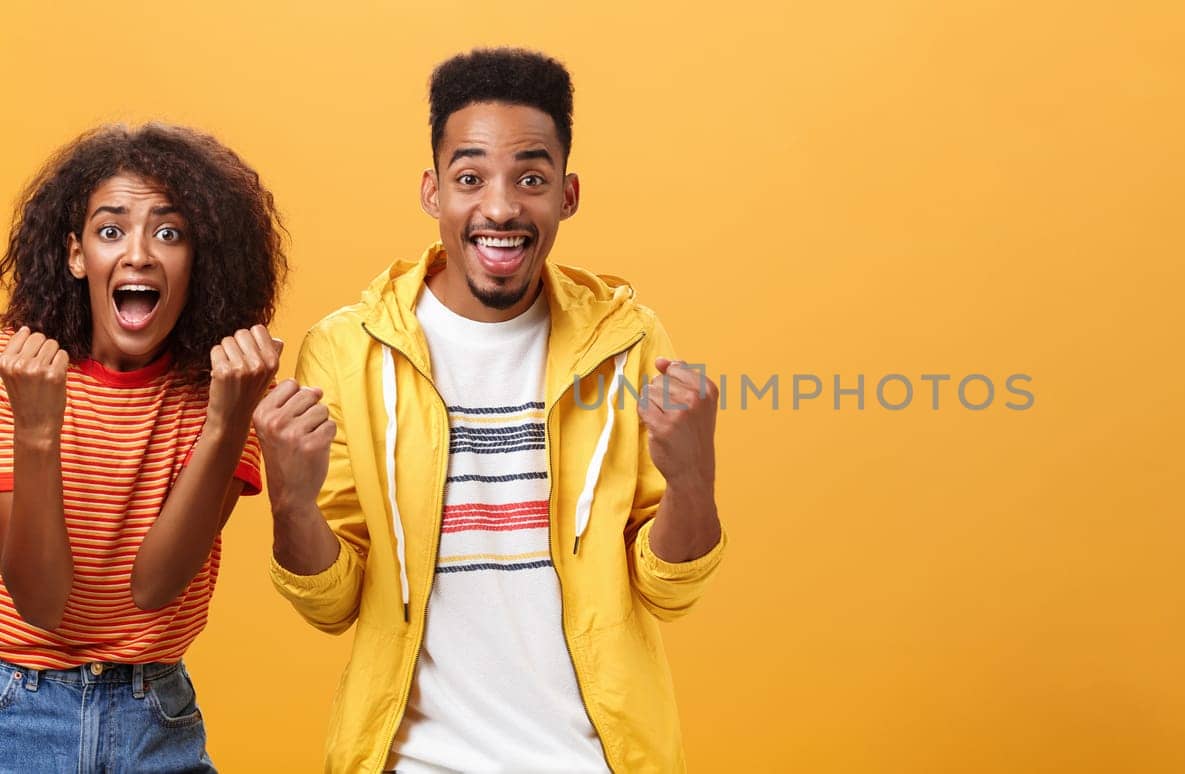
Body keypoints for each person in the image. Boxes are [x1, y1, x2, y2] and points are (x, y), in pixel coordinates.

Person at [259, 48, 727, 772]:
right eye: (470, 177)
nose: (501, 207)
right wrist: (291, 499)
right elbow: (334, 602)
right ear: (432, 192)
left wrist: (694, 479)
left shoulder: (627, 341)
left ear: (567, 195)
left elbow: (669, 591)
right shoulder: (345, 351)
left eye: (530, 179)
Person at [0, 123, 286, 772]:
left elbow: (156, 587)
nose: (139, 255)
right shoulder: (12, 372)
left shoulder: (222, 392)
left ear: (199, 257)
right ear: (77, 255)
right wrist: (38, 429)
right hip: (16, 707)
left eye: (168, 232)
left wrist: (226, 421)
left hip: (155, 712)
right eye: (111, 230)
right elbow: (40, 601)